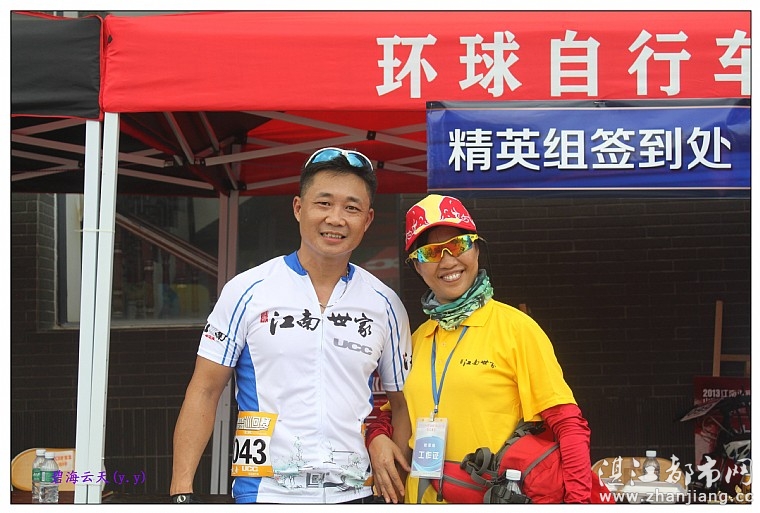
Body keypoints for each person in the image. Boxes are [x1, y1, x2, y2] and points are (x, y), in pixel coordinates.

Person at [169, 147, 412, 504]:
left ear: (368, 219)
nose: (336, 218)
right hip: (264, 494)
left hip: (357, 495)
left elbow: (402, 404)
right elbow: (204, 390)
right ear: (298, 208)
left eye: (351, 208)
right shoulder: (246, 290)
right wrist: (180, 491)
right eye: (324, 203)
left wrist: (396, 487)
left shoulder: (385, 303)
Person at [367, 194, 595, 504]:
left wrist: (579, 503)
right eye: (431, 252)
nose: (448, 261)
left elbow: (568, 424)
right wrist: (377, 436)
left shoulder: (516, 328)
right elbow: (396, 413)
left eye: (459, 245)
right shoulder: (417, 339)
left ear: (476, 249)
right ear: (417, 266)